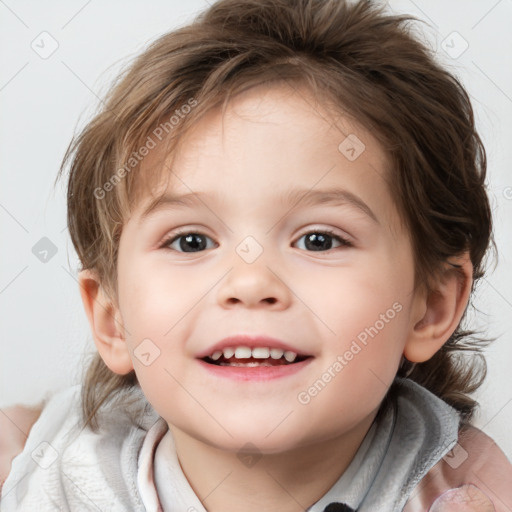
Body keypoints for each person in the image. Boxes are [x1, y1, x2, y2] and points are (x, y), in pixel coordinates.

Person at [1, 0, 511, 510]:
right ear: (112, 320)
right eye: (191, 241)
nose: (249, 282)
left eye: (319, 240)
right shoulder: (39, 473)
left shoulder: (471, 496)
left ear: (432, 305)